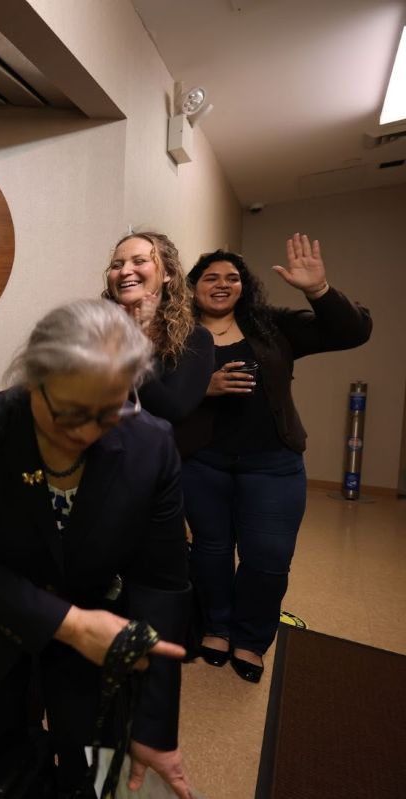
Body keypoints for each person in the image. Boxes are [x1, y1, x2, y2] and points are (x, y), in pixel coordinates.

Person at [0, 299, 194, 799]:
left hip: (103, 633)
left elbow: (161, 583)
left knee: (94, 772)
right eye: (69, 415)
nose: (87, 433)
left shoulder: (151, 446)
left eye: (108, 415)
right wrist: (70, 624)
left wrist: (153, 727)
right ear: (34, 379)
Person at [180, 235, 372, 682]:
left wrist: (319, 290)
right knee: (208, 552)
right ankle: (217, 628)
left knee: (267, 557)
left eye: (233, 277)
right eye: (211, 277)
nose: (223, 283)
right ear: (193, 288)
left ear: (245, 287)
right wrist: (201, 386)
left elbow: (353, 331)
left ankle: (251, 638)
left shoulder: (272, 325)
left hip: (272, 464)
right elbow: (155, 391)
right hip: (202, 462)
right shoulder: (178, 333)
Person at [103, 231, 213, 425]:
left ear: (167, 274)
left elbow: (172, 409)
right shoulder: (92, 327)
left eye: (139, 261)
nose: (124, 271)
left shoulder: (195, 337)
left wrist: (134, 343)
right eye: (116, 265)